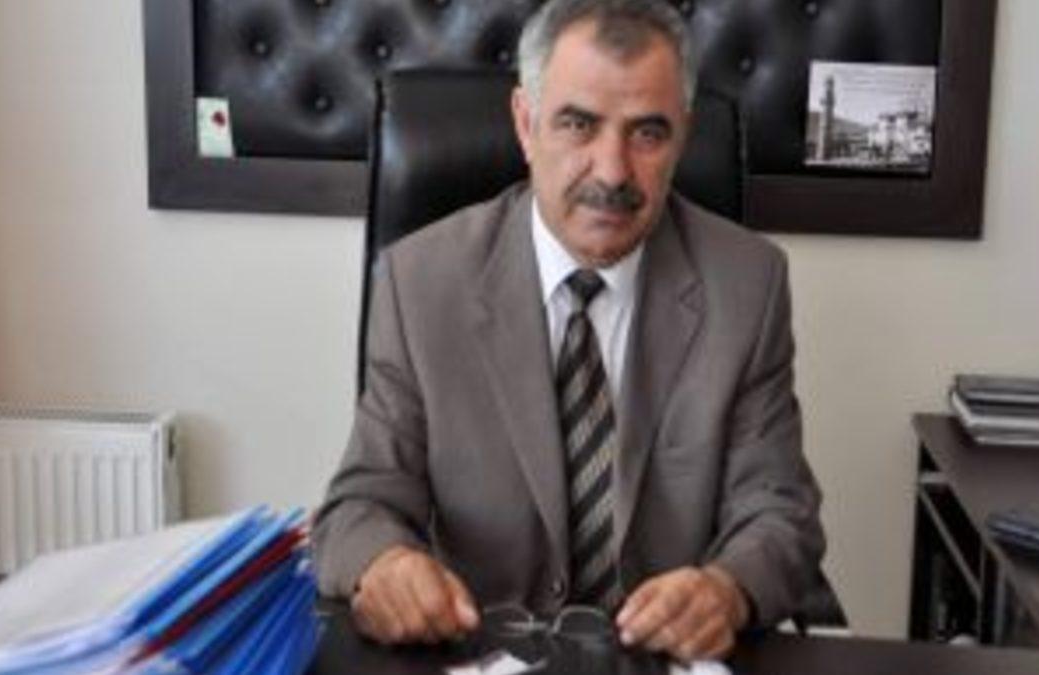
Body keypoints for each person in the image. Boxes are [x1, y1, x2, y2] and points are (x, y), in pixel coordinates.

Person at [313, 0, 825, 662]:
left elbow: (780, 512)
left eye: (648, 133)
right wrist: (384, 564)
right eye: (578, 125)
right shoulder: (421, 283)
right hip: (483, 653)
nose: (612, 171)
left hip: (660, 659)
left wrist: (727, 590)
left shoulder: (748, 286)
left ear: (683, 136)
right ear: (526, 124)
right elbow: (359, 504)